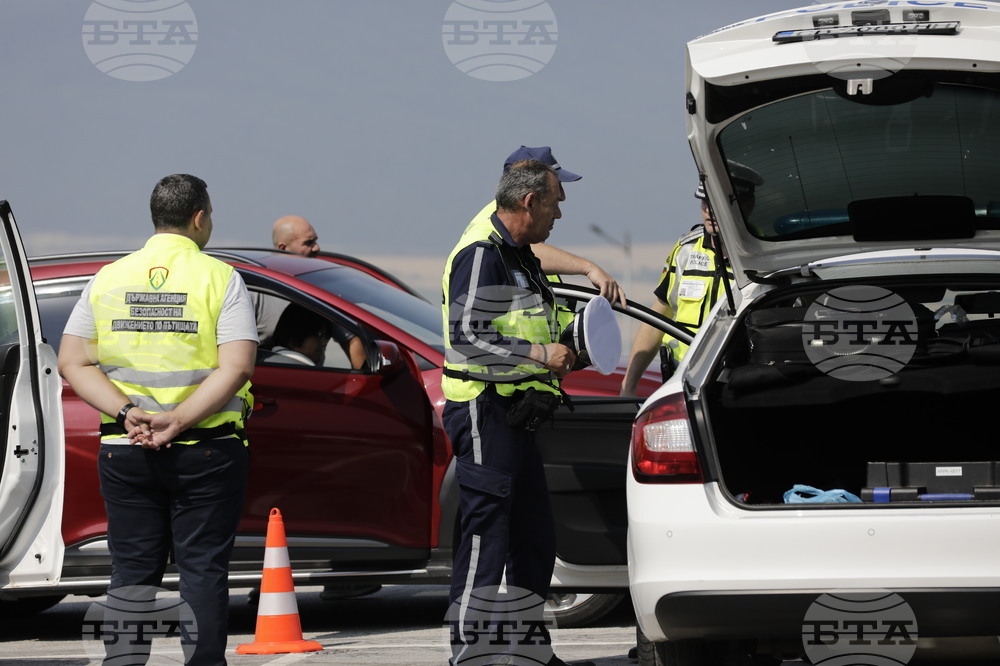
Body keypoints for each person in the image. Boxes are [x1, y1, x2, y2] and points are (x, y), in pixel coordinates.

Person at [57, 174, 257, 665]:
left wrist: (127, 413)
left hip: (127, 449)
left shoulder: (108, 277)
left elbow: (72, 362)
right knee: (203, 570)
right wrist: (180, 420)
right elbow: (237, 367)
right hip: (206, 449)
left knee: (130, 572)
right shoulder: (220, 278)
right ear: (200, 217)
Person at [442, 159, 594, 666]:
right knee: (488, 535)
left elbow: (536, 321)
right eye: (555, 203)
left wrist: (575, 344)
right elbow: (468, 338)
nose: (559, 215)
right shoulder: (483, 253)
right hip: (485, 412)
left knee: (534, 537)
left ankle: (529, 649)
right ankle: (472, 652)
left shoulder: (519, 255)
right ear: (530, 201)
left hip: (518, 412)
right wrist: (538, 356)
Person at [620, 170, 760, 396]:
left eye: (718, 202)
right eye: (705, 201)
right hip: (680, 384)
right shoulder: (685, 249)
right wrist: (629, 386)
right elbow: (657, 317)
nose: (709, 210)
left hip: (737, 386)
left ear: (748, 205)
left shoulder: (762, 256)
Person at [471, 146, 627, 308]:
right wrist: (588, 268)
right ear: (527, 182)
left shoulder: (516, 226)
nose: (562, 193)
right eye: (552, 181)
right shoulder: (494, 223)